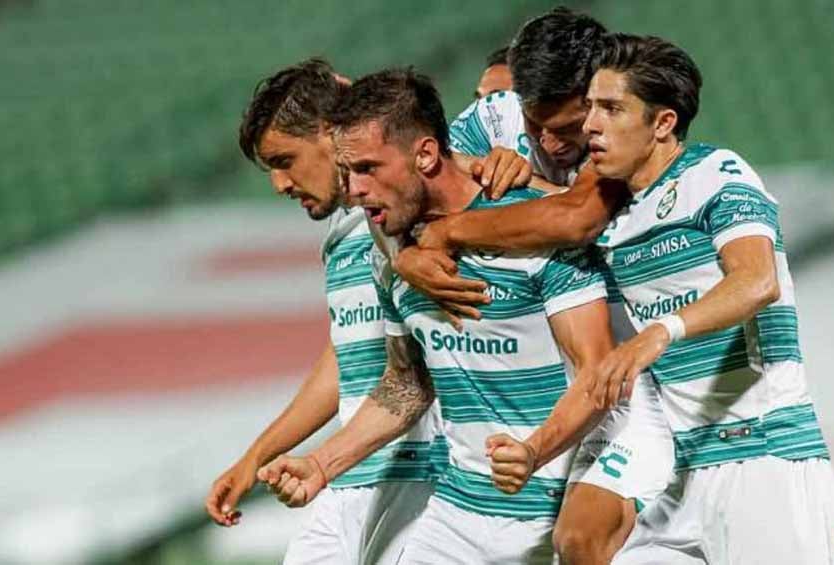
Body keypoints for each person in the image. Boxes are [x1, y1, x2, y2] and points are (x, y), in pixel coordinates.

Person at [258, 68, 616, 564]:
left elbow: (598, 373)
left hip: (554, 509)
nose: (354, 191)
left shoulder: (533, 233)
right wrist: (323, 463)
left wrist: (534, 451)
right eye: (347, 172)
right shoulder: (392, 253)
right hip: (459, 514)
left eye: (367, 169)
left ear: (425, 154)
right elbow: (407, 384)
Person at [400, 9, 675, 564]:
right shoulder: (492, 117)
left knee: (584, 539)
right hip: (551, 385)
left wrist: (449, 230)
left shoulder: (624, 130)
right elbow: (418, 187)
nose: (550, 141)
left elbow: (577, 218)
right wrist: (409, 251)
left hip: (640, 380)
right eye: (535, 124)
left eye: (567, 126)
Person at [584, 33, 834, 564]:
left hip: (764, 461)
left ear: (662, 123)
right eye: (590, 106)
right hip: (681, 474)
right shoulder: (612, 216)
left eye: (611, 108)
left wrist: (660, 332)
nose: (591, 124)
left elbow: (756, 281)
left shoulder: (715, 173)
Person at [204, 58, 444, 565]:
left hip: (419, 472)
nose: (279, 184)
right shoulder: (342, 235)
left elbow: (415, 376)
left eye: (284, 160)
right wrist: (255, 458)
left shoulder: (408, 218)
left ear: (329, 134)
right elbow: (348, 355)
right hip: (352, 475)